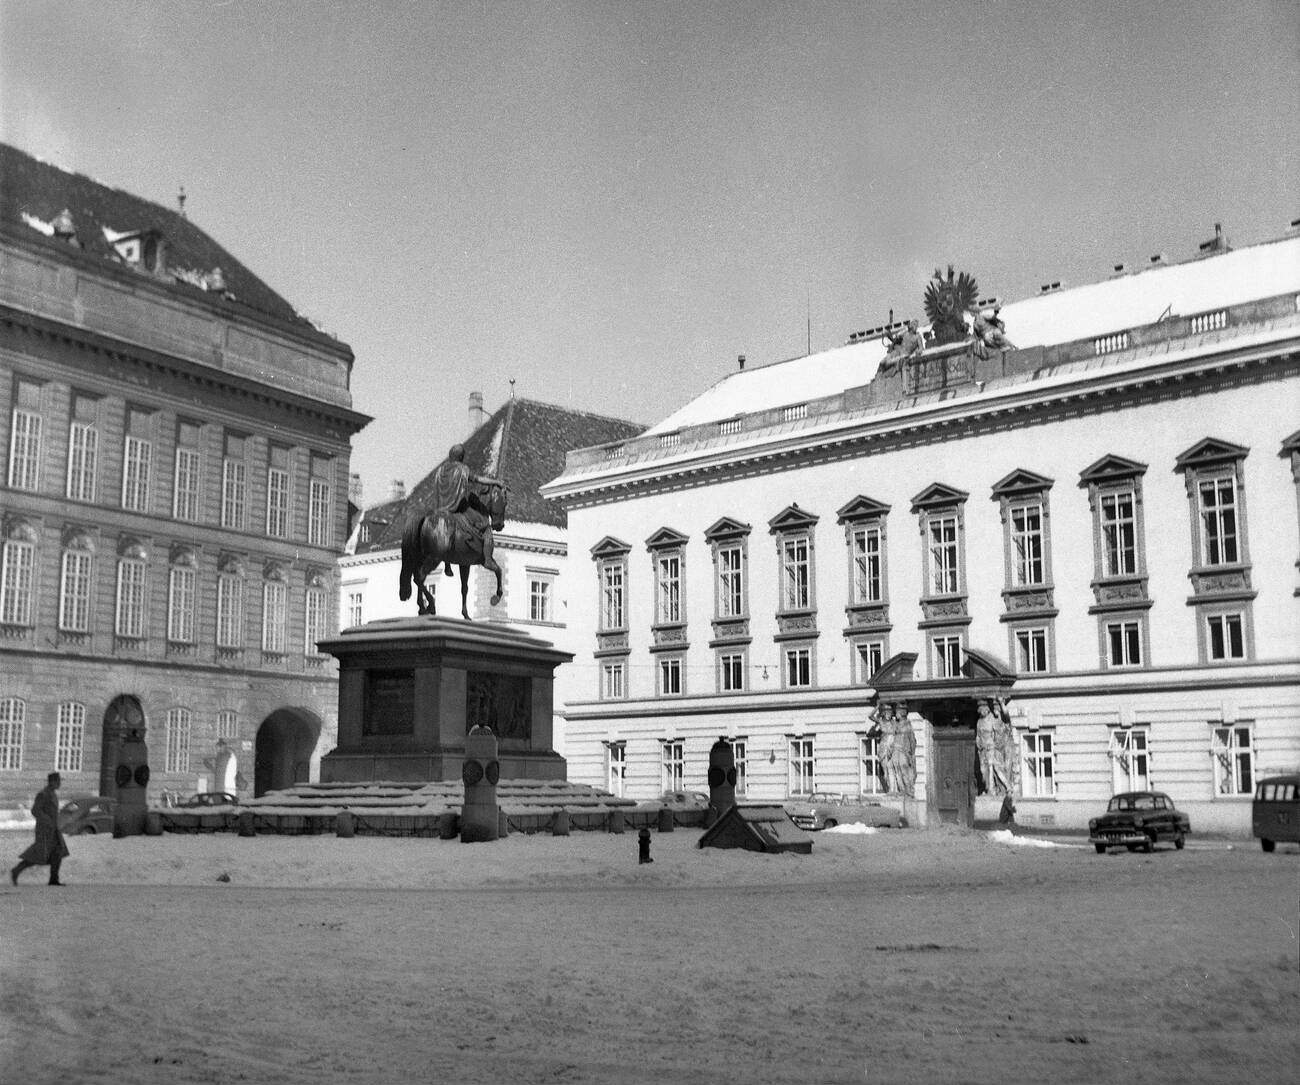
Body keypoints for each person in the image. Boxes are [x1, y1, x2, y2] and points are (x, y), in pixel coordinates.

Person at [427, 444, 501, 572]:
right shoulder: (462, 469)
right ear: (461, 457)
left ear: (450, 456)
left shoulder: (441, 470)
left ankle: (447, 563)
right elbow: (479, 479)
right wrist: (496, 482)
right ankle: (487, 557)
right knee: (484, 524)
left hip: (440, 509)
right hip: (456, 507)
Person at [11, 772, 70, 886]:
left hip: (53, 829)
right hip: (44, 830)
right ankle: (16, 870)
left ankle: (54, 879)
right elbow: (35, 810)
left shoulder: (52, 794)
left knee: (57, 852)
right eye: (58, 781)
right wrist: (47, 820)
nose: (59, 783)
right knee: (39, 854)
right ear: (52, 782)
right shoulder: (43, 794)